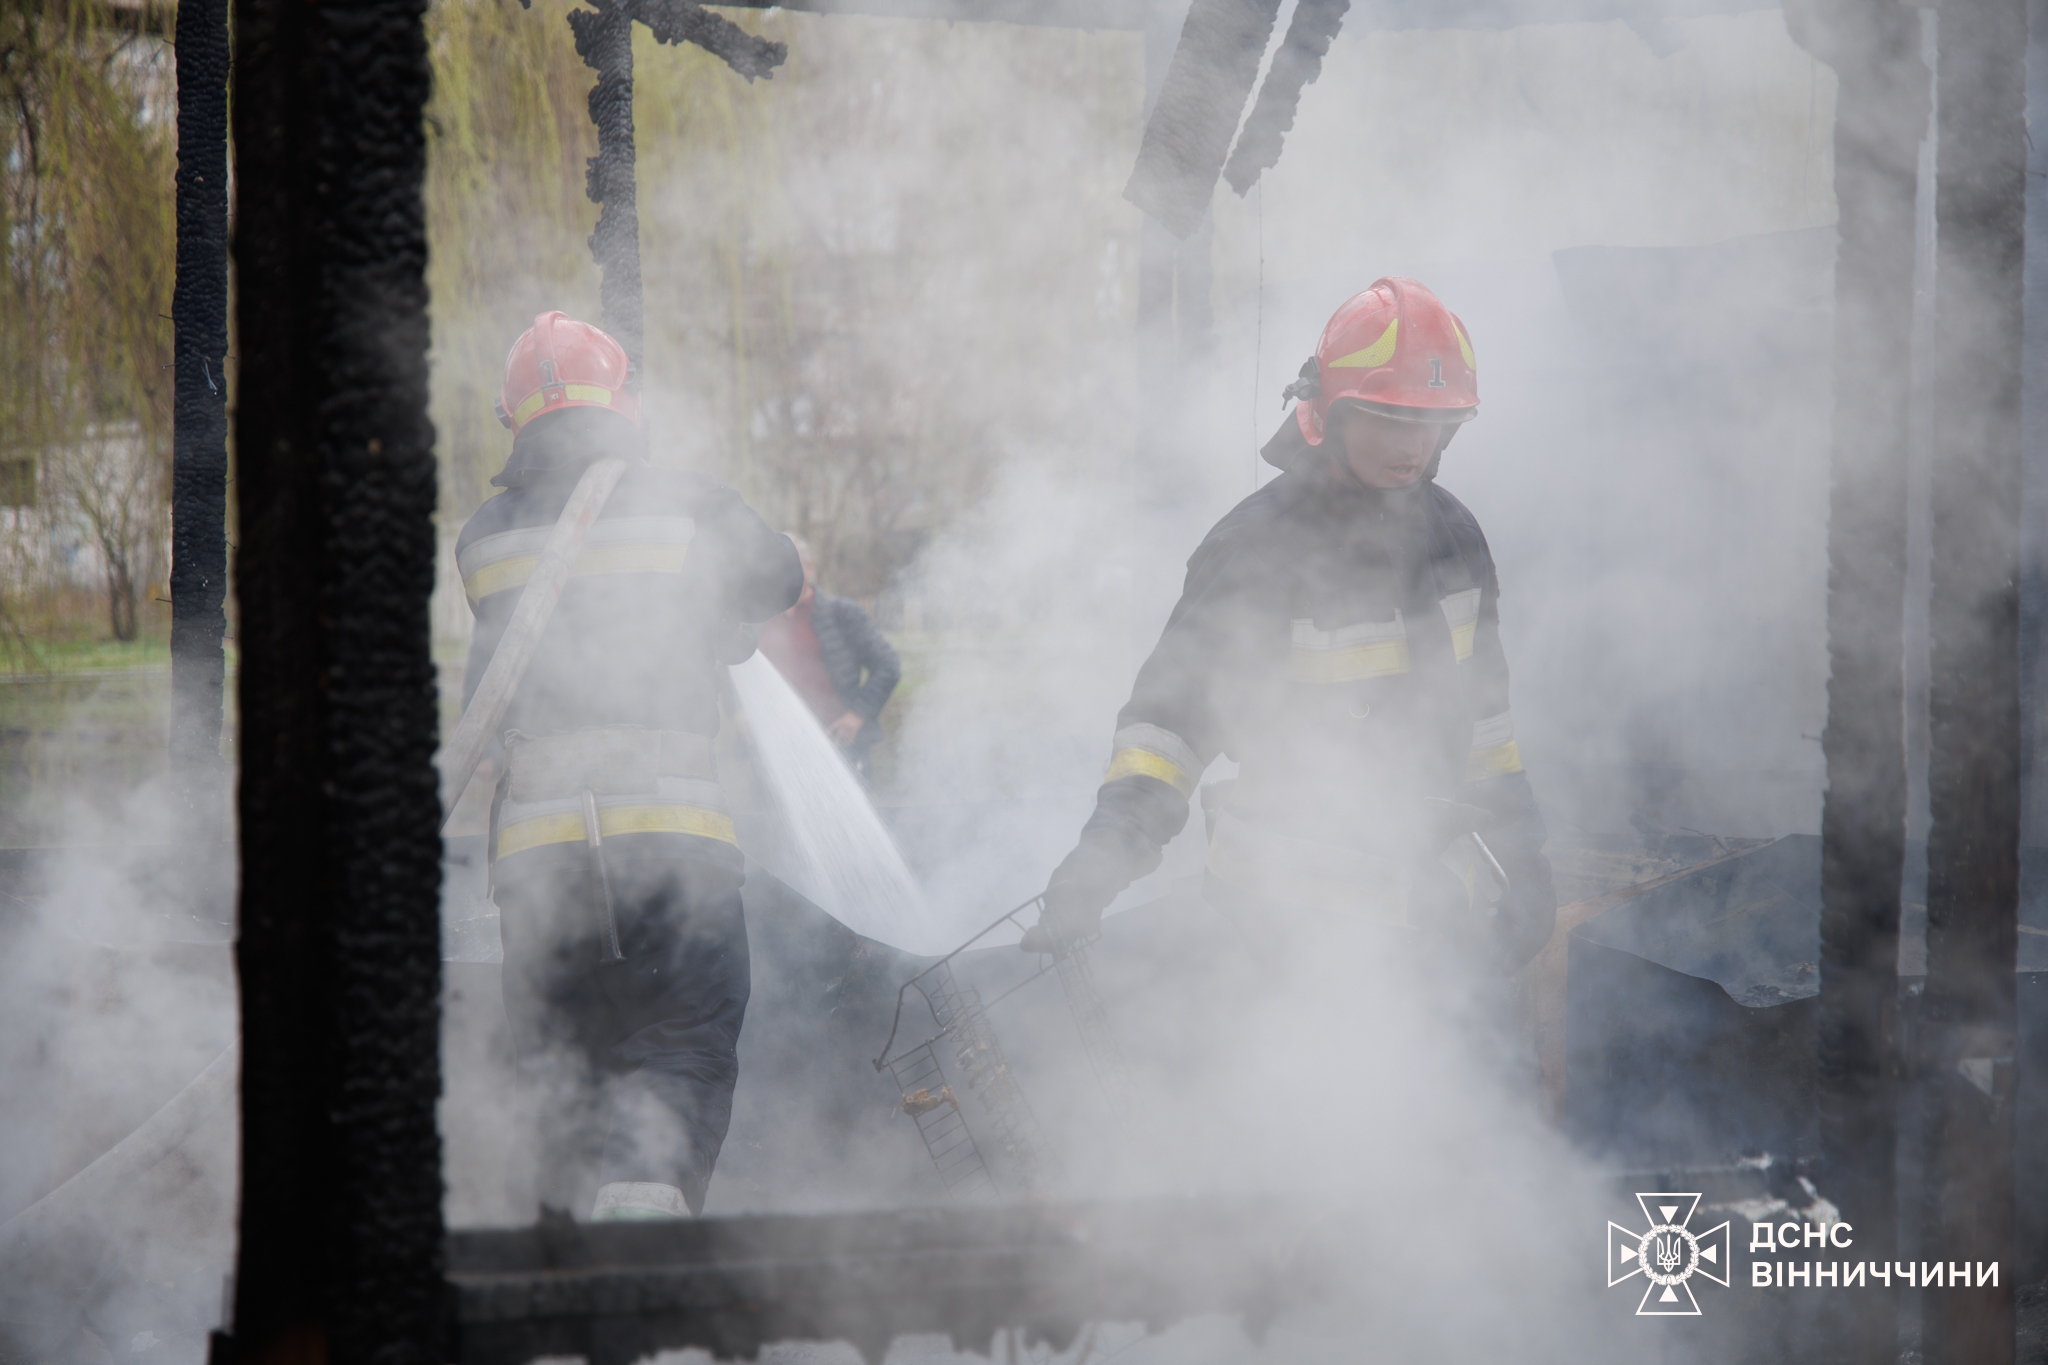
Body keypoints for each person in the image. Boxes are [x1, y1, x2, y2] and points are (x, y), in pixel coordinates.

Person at [1022, 277, 1555, 975]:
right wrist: (1102, 857)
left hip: (1429, 928)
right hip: (1277, 932)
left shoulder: (1455, 539)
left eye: (1433, 422)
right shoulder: (1257, 547)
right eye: (1391, 418)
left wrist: (1524, 856)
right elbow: (1170, 730)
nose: (1415, 444)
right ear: (1328, 412)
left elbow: (1487, 727)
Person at [458, 311, 802, 1220]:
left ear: (515, 417)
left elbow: (495, 683)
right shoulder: (692, 504)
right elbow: (775, 580)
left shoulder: (484, 537)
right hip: (670, 848)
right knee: (684, 1035)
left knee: (556, 1066)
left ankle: (559, 1278)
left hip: (538, 870)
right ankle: (644, 1221)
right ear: (624, 407)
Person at [755, 537, 901, 784]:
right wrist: (738, 712)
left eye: (792, 564)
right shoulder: (757, 621)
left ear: (809, 567)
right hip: (775, 752)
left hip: (837, 746)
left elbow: (887, 665)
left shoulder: (842, 614)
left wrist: (858, 714)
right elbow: (733, 669)